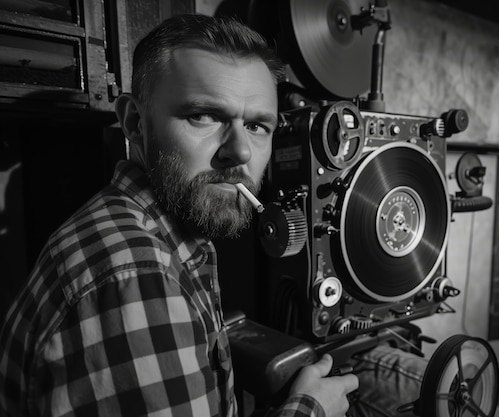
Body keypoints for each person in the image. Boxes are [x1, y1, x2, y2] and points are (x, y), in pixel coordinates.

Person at [0, 14, 360, 417]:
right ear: (135, 123)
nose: (240, 151)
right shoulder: (138, 277)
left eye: (258, 126)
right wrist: (310, 409)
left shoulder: (161, 234)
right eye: (203, 116)